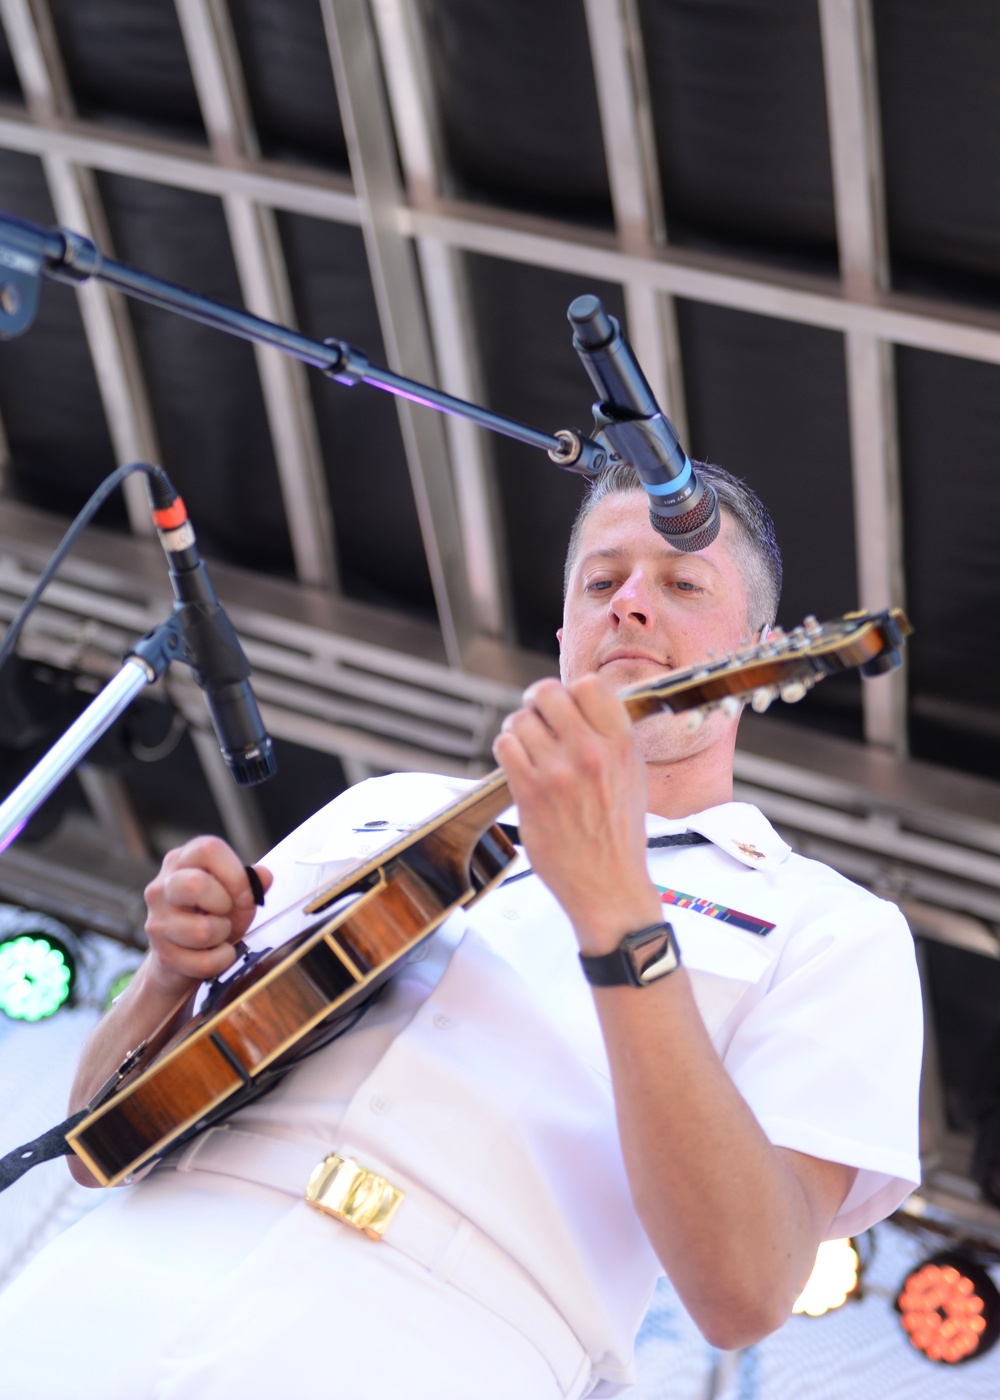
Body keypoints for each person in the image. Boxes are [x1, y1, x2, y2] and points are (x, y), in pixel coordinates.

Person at [0, 462, 921, 1399]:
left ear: (760, 650)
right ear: (564, 632)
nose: (632, 604)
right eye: (602, 582)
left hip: (453, 1345)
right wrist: (167, 973)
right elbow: (97, 1142)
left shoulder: (833, 927)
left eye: (682, 584)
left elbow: (748, 1288)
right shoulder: (394, 806)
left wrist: (616, 913)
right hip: (120, 1283)